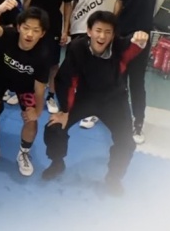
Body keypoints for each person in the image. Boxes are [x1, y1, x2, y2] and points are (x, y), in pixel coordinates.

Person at [43, 11, 148, 195]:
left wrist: (140, 39)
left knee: (126, 142)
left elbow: (133, 45)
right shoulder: (77, 47)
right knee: (54, 127)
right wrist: (64, 111)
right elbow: (66, 79)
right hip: (85, 97)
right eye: (98, 30)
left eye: (108, 32)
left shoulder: (119, 46)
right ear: (89, 31)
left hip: (114, 99)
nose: (102, 36)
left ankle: (113, 177)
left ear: (113, 35)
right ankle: (57, 162)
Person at [0, 0, 50, 176]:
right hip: (0, 76)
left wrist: (37, 112)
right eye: (26, 28)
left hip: (25, 85)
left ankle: (23, 154)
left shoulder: (43, 55)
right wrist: (0, 9)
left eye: (36, 30)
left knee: (31, 120)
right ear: (19, 27)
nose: (29, 34)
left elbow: (40, 89)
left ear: (42, 34)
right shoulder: (9, 34)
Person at [110, 0, 163, 144]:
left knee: (136, 81)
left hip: (141, 35)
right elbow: (119, 1)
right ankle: (118, 117)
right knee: (118, 77)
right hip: (121, 33)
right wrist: (111, 26)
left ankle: (138, 122)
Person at [70, 0, 116, 129]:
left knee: (95, 70)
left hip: (96, 29)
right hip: (77, 25)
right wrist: (68, 25)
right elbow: (74, 0)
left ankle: (94, 111)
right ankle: (80, 105)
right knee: (78, 69)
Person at [27, 0, 77, 114]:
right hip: (33, 20)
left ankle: (50, 95)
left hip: (54, 22)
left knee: (53, 62)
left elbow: (68, 5)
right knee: (29, 56)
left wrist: (65, 29)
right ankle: (27, 92)